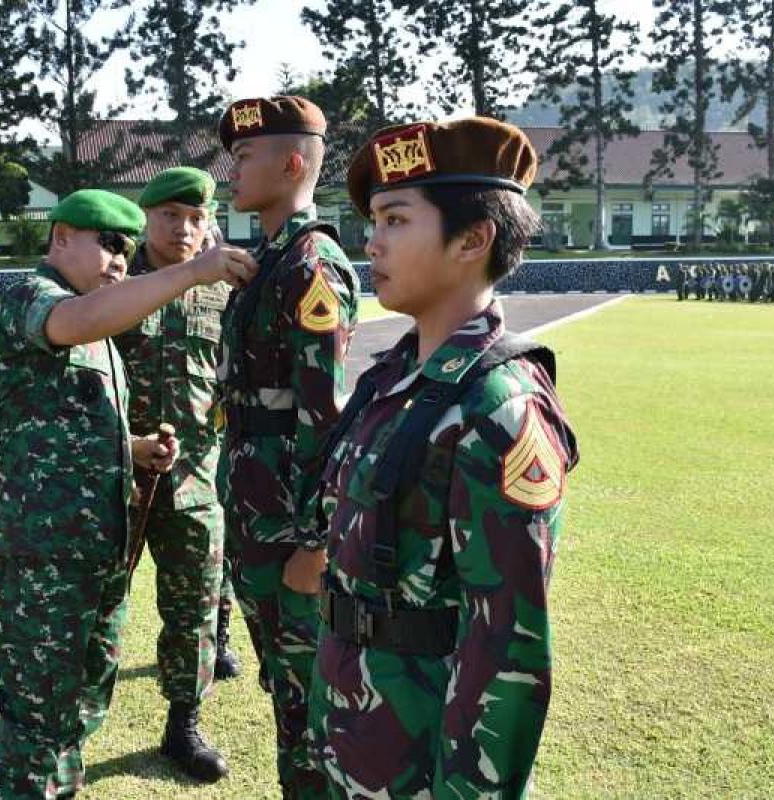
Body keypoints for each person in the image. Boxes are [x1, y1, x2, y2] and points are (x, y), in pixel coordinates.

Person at [307, 117, 580, 798]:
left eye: (396, 220)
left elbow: (507, 653)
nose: (371, 240)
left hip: (422, 756)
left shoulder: (499, 408)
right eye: (372, 219)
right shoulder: (395, 379)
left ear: (473, 239)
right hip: (354, 729)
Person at [0, 189, 255, 799]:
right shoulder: (27, 300)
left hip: (99, 541)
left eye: (126, 252)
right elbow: (74, 325)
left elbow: (73, 417)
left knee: (82, 695)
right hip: (43, 550)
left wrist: (132, 447)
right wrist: (193, 270)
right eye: (106, 243)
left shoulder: (97, 323)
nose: (117, 260)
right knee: (38, 706)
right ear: (60, 238)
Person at [214, 95, 360, 799]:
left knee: (310, 703)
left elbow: (327, 421)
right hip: (256, 516)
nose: (229, 172)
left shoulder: (310, 265)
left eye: (244, 158)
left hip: (288, 530)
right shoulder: (266, 260)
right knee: (286, 686)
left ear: (293, 162)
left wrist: (315, 543)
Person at [112, 167, 241, 783]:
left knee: (192, 607)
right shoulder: (111, 280)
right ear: (147, 218)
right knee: (94, 602)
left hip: (194, 476)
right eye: (170, 216)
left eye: (195, 218)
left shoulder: (222, 290)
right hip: (112, 477)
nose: (184, 229)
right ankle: (65, 720)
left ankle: (182, 722)